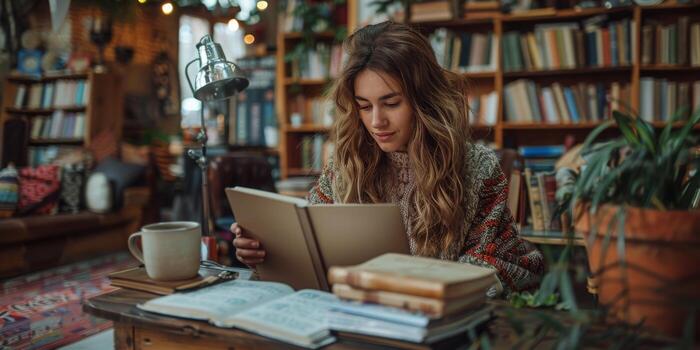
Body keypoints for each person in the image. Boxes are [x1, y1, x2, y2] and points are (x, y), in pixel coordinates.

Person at [232, 21, 544, 294]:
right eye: (364, 106)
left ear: (424, 100)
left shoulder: (478, 170)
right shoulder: (346, 165)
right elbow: (311, 247)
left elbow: (505, 264)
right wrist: (265, 251)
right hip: (353, 321)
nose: (376, 121)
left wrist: (428, 291)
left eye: (391, 103)